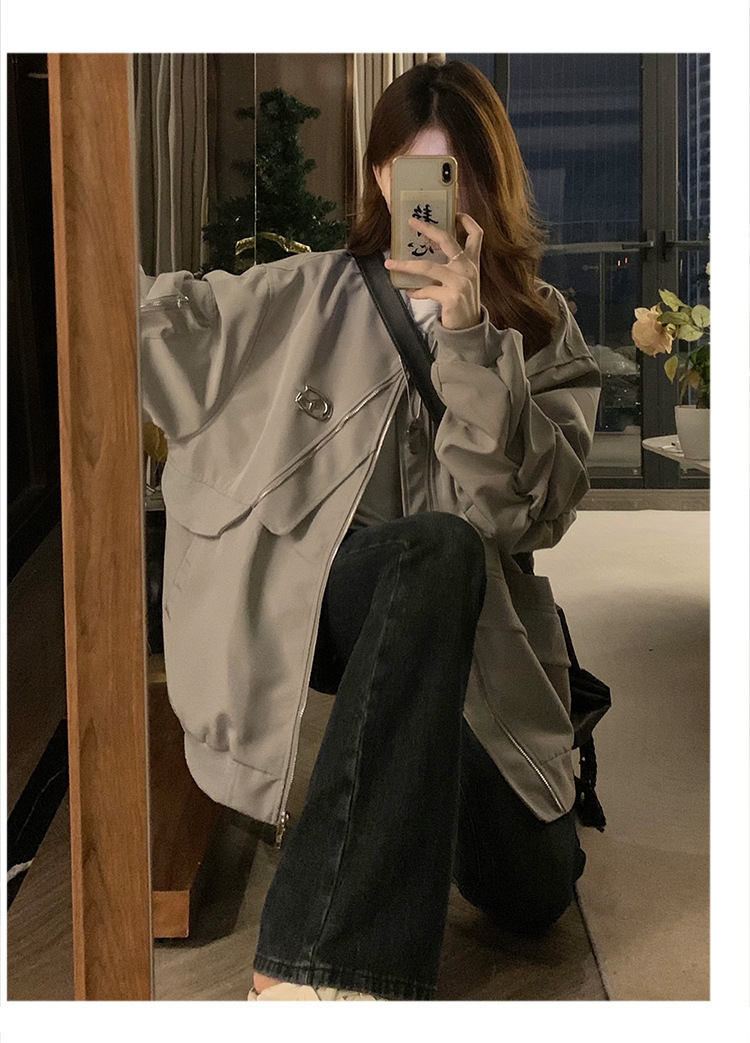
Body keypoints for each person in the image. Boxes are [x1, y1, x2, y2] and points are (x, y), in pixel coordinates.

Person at [139, 58, 601, 1002]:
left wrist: (468, 338)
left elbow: (528, 514)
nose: (432, 201)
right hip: (338, 610)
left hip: (481, 663)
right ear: (381, 180)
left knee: (535, 893)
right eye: (410, 173)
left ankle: (404, 822)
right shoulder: (308, 295)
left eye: (453, 174)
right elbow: (169, 333)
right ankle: (323, 967)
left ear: (490, 183)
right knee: (429, 550)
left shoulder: (542, 329)